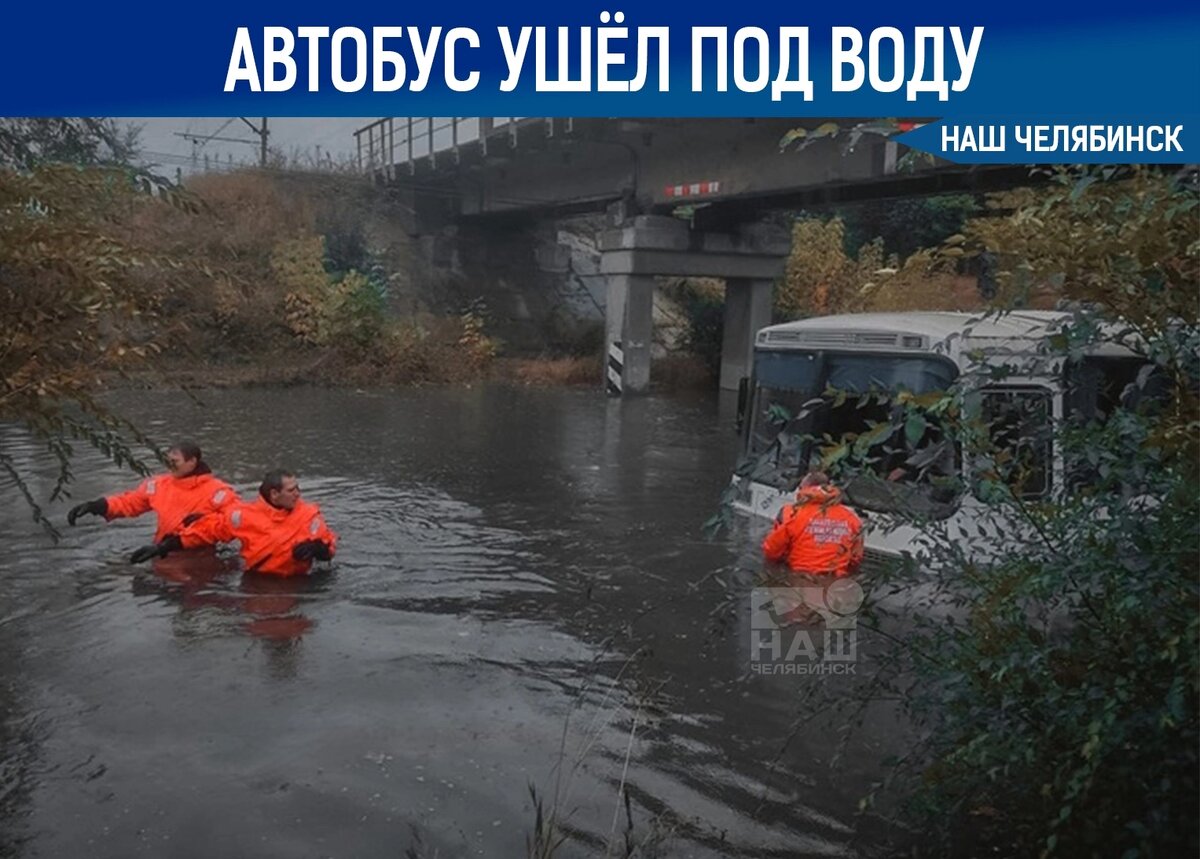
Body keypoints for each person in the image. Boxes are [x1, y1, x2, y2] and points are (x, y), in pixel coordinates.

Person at [130, 469, 338, 577]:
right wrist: (163, 546)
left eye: (298, 488)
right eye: (292, 490)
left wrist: (319, 549)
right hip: (257, 582)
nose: (298, 494)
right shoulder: (243, 516)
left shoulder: (310, 514)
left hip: (300, 585)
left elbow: (329, 546)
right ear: (274, 494)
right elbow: (207, 531)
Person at [67, 441, 240, 542]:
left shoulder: (217, 491)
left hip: (200, 557)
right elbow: (131, 502)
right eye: (168, 460)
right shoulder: (158, 485)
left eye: (175, 461)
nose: (169, 465)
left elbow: (236, 519)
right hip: (162, 549)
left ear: (192, 462)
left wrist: (206, 521)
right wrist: (97, 506)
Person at [762, 471, 864, 577]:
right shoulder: (852, 519)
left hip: (799, 579)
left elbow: (772, 551)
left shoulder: (790, 513)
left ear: (804, 488)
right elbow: (855, 559)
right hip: (835, 584)